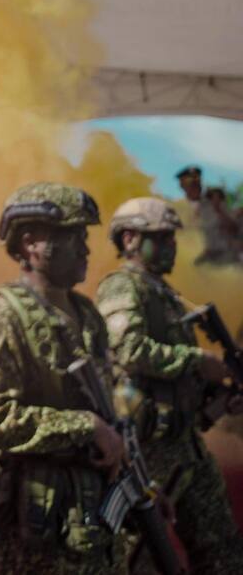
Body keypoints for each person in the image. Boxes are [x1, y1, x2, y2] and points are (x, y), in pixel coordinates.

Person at [0, 182, 130, 574]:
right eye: (73, 237)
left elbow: (111, 403)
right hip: (41, 529)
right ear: (31, 243)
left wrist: (141, 487)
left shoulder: (87, 316)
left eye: (84, 236)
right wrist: (85, 427)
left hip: (95, 517)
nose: (86, 249)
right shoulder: (0, 321)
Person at [95, 197, 243, 573]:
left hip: (186, 444)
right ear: (129, 239)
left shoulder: (167, 296)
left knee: (221, 548)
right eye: (160, 238)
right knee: (140, 556)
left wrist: (216, 400)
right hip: (150, 452)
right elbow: (127, 349)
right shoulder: (122, 287)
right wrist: (198, 361)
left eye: (171, 238)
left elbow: (172, 376)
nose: (172, 246)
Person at [174, 165, 240, 266]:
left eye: (196, 182)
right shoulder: (183, 207)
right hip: (202, 257)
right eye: (188, 183)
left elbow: (234, 227)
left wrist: (218, 208)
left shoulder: (215, 200)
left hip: (226, 257)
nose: (193, 186)